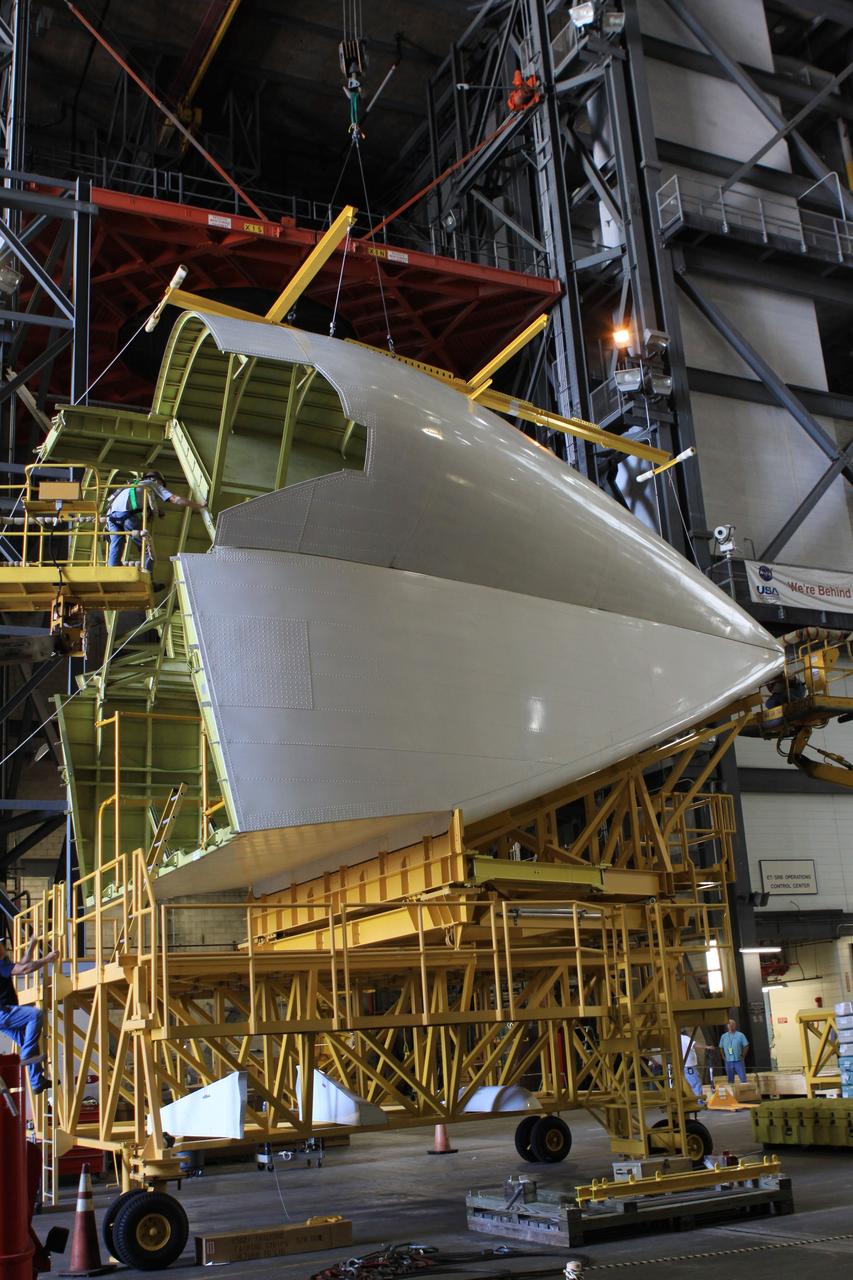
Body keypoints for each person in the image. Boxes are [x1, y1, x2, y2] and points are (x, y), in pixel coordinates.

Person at [106, 470, 206, 574]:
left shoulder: (130, 486)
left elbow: (137, 502)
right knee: (146, 547)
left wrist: (156, 511)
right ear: (157, 480)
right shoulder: (153, 484)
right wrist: (198, 505)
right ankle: (148, 576)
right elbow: (174, 499)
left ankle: (112, 572)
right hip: (129, 518)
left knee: (116, 544)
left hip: (111, 519)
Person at [0, 934, 60, 1093]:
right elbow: (24, 969)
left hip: (4, 1016)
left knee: (29, 1041)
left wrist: (33, 944)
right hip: (3, 1013)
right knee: (36, 1015)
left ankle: (36, 1082)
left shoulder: (4, 964)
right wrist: (47, 959)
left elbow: (22, 963)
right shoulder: (0, 965)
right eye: (2, 946)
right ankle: (26, 1054)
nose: (4, 948)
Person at [719, 1018, 750, 1083]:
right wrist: (723, 1056)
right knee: (730, 1080)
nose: (731, 1025)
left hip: (738, 1060)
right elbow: (721, 1047)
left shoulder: (740, 1035)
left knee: (743, 1079)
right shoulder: (723, 1036)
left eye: (732, 1024)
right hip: (728, 1061)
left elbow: (746, 1046)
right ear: (727, 1026)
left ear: (735, 1025)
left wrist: (743, 1055)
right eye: (729, 1024)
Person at [681, 1029, 707, 1099]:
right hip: (689, 1066)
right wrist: (707, 1047)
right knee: (696, 1083)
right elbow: (695, 1044)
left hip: (685, 1066)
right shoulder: (685, 1038)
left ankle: (693, 1100)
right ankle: (698, 1101)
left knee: (689, 1084)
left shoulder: (677, 1039)